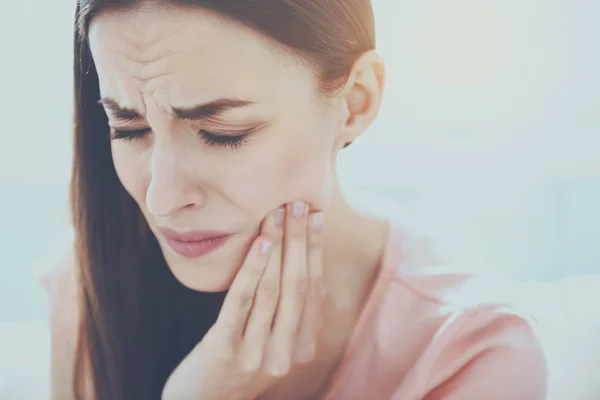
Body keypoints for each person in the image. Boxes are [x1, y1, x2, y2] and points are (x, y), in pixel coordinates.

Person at [40, 1, 548, 399]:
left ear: (356, 101)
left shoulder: (470, 349)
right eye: (129, 128)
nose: (162, 197)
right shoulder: (87, 281)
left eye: (223, 133)